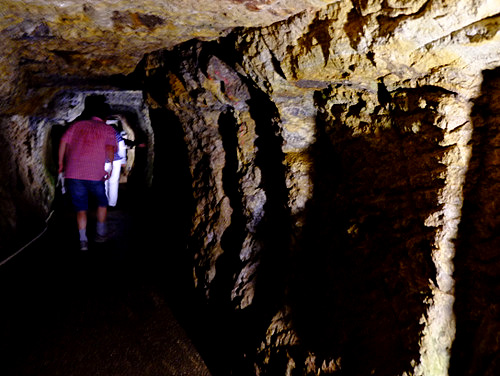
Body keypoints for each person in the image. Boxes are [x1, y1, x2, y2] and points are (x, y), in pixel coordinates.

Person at [58, 95, 117, 251]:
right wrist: (109, 167)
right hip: (95, 174)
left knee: (81, 208)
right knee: (102, 203)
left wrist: (60, 164)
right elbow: (110, 150)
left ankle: (83, 240)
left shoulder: (76, 125)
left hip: (73, 173)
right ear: (105, 116)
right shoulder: (108, 129)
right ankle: (100, 234)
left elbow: (63, 142)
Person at [104, 118, 127, 207]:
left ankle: (104, 203)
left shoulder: (98, 130)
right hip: (116, 160)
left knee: (103, 182)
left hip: (102, 160)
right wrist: (123, 160)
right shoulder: (114, 132)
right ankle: (112, 203)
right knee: (113, 182)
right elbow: (121, 145)